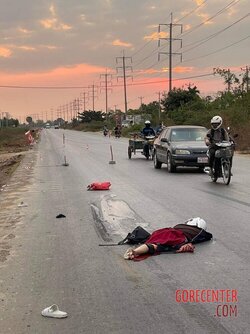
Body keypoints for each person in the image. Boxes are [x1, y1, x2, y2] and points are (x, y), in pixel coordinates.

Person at [124, 217, 213, 261]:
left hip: (164, 231)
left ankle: (135, 251)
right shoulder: (198, 231)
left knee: (153, 241)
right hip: (175, 236)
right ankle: (134, 252)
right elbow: (208, 236)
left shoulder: (180, 225)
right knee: (156, 246)